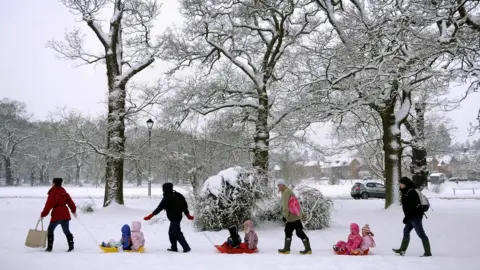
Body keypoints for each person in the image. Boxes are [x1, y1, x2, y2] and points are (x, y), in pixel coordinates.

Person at [144, 182, 194, 253]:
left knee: (176, 232)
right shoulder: (178, 195)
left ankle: (186, 247)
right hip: (178, 217)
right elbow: (184, 207)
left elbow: (160, 207)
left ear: (165, 189)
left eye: (163, 188)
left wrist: (151, 215)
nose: (163, 190)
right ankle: (174, 247)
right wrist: (188, 215)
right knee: (171, 232)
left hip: (174, 218)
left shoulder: (167, 197)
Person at [393, 177, 432, 257]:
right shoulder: (406, 191)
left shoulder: (411, 192)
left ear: (405, 184)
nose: (400, 185)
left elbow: (412, 207)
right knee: (406, 231)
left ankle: (428, 252)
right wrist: (407, 216)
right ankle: (402, 250)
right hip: (411, 216)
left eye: (401, 183)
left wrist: (407, 217)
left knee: (421, 234)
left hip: (415, 216)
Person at [40, 177, 77, 252]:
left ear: (54, 183)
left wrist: (43, 214)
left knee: (50, 230)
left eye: (52, 182)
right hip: (65, 214)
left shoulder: (53, 192)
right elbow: (70, 202)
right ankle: (71, 246)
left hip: (57, 214)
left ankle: (49, 248)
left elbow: (48, 205)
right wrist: (73, 210)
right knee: (66, 231)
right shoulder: (64, 191)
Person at [276, 179, 311, 254]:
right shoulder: (288, 191)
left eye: (280, 185)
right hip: (294, 215)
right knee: (288, 231)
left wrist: (284, 215)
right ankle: (287, 249)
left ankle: (308, 249)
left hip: (293, 216)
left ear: (283, 185)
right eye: (278, 185)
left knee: (299, 232)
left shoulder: (286, 192)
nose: (278, 187)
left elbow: (286, 205)